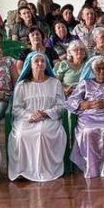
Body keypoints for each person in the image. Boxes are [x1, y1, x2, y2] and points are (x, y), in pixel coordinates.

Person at [8, 51, 67, 182]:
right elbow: (16, 109)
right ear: (30, 65)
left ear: (46, 64)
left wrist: (45, 113)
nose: (40, 63)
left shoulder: (55, 83)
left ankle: (44, 170)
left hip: (49, 117)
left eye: (42, 61)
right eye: (36, 61)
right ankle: (23, 170)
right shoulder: (22, 85)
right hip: (26, 119)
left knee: (42, 133)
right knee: (21, 135)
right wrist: (31, 115)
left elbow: (61, 105)